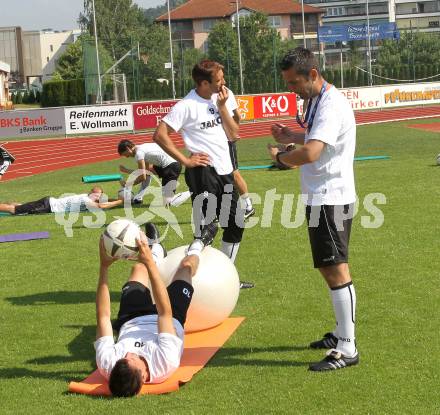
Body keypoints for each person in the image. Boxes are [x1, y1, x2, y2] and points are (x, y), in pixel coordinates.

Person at [268, 47, 358, 371]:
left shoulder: (331, 105)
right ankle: (340, 334)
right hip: (322, 196)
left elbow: (310, 153)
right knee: (328, 267)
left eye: (294, 82)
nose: (291, 88)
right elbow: (313, 139)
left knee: (336, 269)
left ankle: (347, 348)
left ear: (313, 75)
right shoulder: (319, 100)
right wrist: (293, 135)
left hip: (330, 197)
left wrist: (280, 157)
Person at [153, 60, 253, 289]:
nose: (224, 82)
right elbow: (159, 135)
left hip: (225, 171)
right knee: (207, 229)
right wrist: (186, 160)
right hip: (203, 173)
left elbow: (234, 133)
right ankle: (185, 281)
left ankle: (226, 280)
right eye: (219, 80)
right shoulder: (186, 105)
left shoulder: (221, 98)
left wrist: (222, 107)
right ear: (204, 83)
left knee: (235, 224)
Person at [94, 222, 218, 397]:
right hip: (171, 317)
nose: (129, 353)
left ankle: (157, 249)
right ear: (144, 376)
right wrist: (149, 262)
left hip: (132, 318)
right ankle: (199, 244)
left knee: (138, 268)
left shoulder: (108, 364)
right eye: (132, 359)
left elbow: (103, 316)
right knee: (186, 267)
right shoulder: (164, 362)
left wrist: (104, 266)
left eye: (123, 357)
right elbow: (164, 313)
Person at [118, 139, 191, 207]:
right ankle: (138, 198)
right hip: (168, 165)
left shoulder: (139, 154)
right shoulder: (141, 148)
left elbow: (142, 177)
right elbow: (146, 172)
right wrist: (127, 170)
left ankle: (193, 191)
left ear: (128, 149)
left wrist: (128, 184)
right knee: (148, 173)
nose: (126, 157)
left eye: (125, 154)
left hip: (171, 167)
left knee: (168, 202)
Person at [0, 186, 122, 215]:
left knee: (22, 206)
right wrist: (119, 202)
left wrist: (119, 200)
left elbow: (104, 201)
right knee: (15, 210)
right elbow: (101, 206)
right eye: (97, 196)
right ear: (92, 195)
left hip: (48, 202)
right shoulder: (85, 200)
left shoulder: (87, 196)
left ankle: (8, 203)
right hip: (47, 206)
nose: (98, 198)